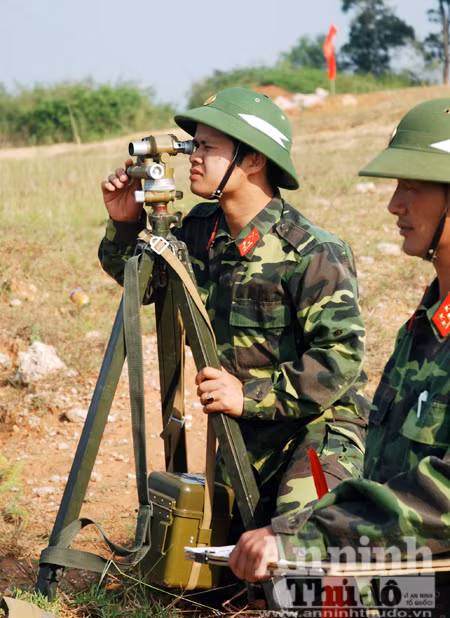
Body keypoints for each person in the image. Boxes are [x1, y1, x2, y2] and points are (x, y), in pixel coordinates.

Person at [98, 87, 368, 525]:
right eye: (194, 145)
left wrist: (249, 396)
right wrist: (125, 224)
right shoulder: (198, 232)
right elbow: (143, 288)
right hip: (241, 434)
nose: (194, 157)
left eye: (208, 147)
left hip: (316, 429)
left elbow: (341, 358)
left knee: (297, 543)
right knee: (219, 558)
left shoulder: (312, 251)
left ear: (254, 159)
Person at [229, 98, 450, 614]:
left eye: (412, 187)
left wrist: (310, 537)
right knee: (289, 593)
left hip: (432, 580)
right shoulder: (427, 322)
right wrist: (304, 536)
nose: (394, 205)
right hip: (414, 567)